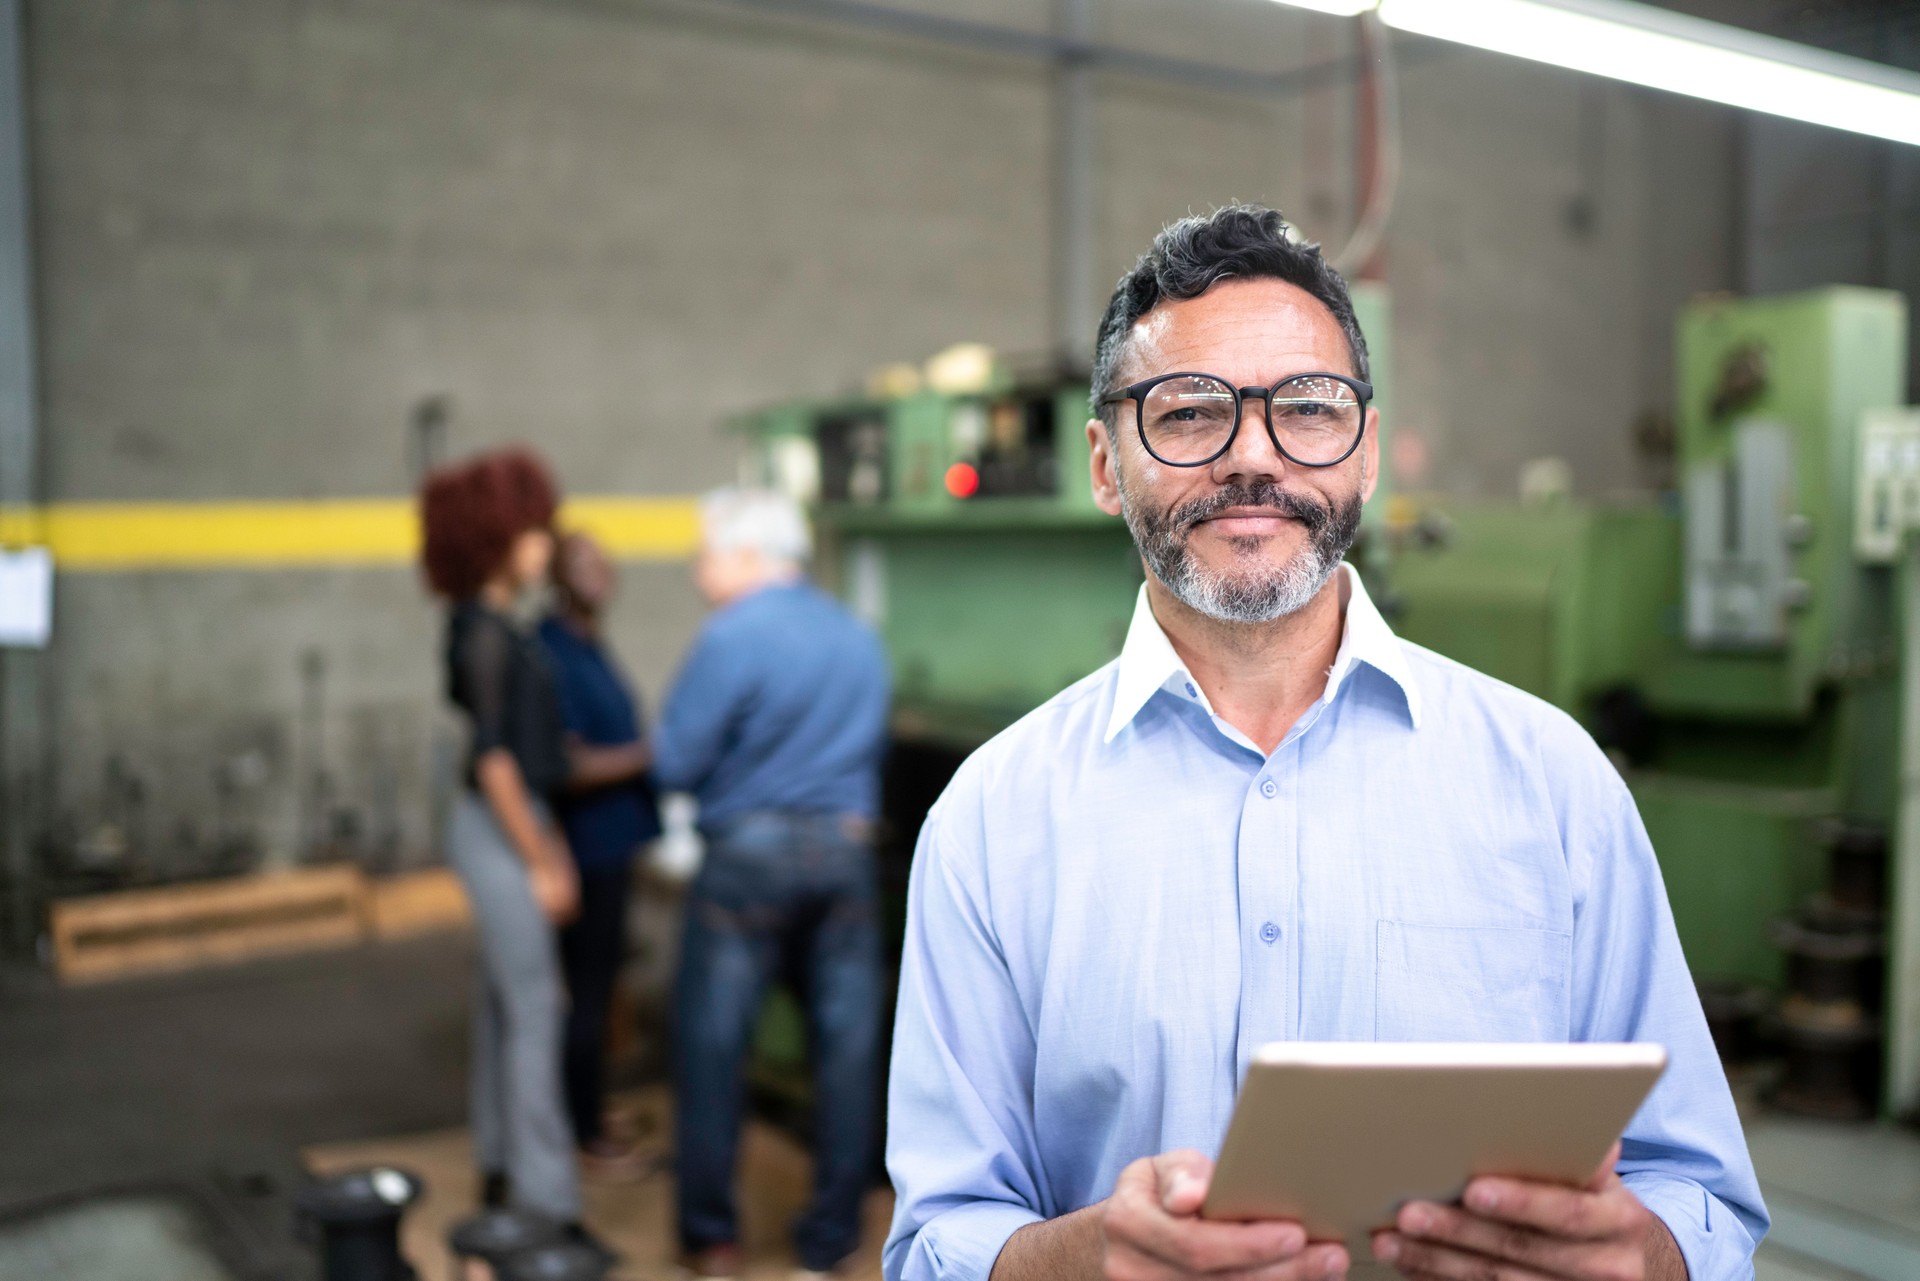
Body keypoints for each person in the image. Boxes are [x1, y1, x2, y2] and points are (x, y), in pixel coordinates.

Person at [883, 206, 1767, 1281]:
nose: (1253, 457)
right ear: (1107, 467)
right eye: (1189, 412)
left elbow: (1700, 1192)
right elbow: (936, 1240)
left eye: (1307, 409)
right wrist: (1084, 1257)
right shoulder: (992, 818)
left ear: (1368, 453)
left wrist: (1650, 1254)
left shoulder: (1553, 783)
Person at [653, 487, 892, 1281]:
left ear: (753, 556)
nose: (699, 570)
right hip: (845, 858)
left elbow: (675, 763)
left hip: (746, 862)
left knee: (713, 1047)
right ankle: (829, 1243)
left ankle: (712, 1239)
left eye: (709, 553)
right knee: (848, 1052)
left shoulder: (730, 636)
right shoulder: (856, 635)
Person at [420, 448, 583, 1229]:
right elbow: (494, 761)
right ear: (494, 537)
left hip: (507, 821)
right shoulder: (481, 631)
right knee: (536, 1002)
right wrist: (542, 856)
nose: (544, 544)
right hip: (499, 825)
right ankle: (545, 1199)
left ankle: (496, 1160)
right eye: (530, 530)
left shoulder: (493, 625)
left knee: (501, 997)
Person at [538, 531, 664, 1175]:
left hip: (614, 843)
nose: (598, 572)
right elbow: (562, 762)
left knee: (603, 987)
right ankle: (583, 1134)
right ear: (557, 575)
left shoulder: (588, 644)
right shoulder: (552, 651)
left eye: (602, 560)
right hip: (585, 848)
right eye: (581, 562)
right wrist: (650, 753)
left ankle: (587, 1109)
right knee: (585, 993)